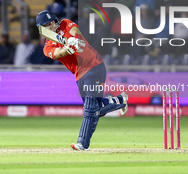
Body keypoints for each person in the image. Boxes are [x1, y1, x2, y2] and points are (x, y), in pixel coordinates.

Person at [36, 10, 128, 150]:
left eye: (52, 22)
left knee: (90, 108)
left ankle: (82, 144)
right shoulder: (47, 47)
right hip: (79, 74)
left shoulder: (65, 24)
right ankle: (119, 100)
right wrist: (68, 48)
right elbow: (58, 53)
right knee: (96, 109)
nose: (52, 26)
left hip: (94, 66)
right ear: (42, 30)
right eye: (47, 25)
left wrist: (75, 39)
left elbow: (76, 32)